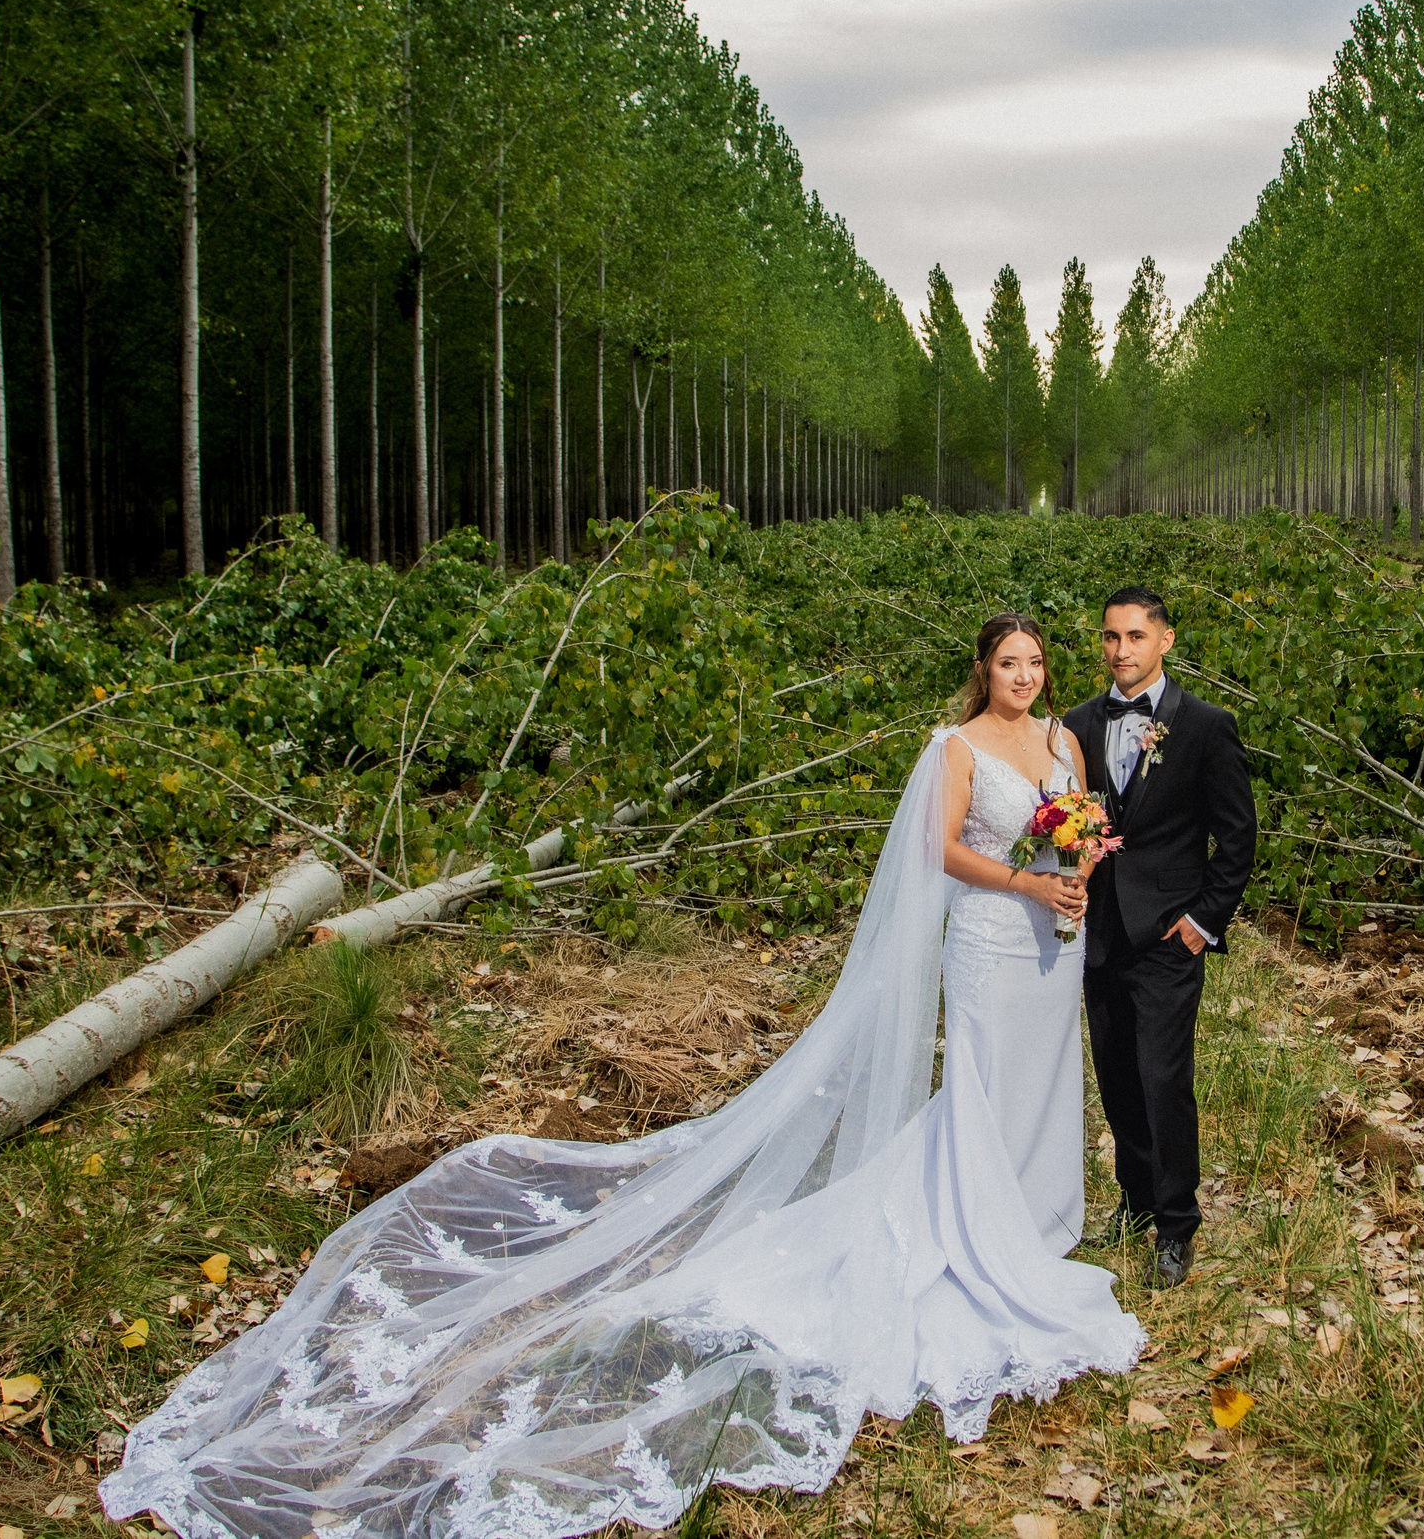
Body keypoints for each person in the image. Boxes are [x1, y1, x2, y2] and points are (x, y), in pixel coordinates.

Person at [100, 613, 1143, 1539]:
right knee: (983, 1083)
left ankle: (1040, 1216)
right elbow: (940, 852)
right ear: (981, 670)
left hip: (1055, 934)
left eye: (1037, 661)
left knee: (1050, 1078)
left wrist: (1079, 867)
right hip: (991, 935)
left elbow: (1083, 819)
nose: (1027, 675)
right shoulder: (955, 748)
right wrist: (1022, 878)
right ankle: (975, 1228)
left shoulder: (1059, 740)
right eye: (1011, 662)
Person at [1064, 587, 1258, 1290]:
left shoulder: (1205, 725)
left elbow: (1237, 839)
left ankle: (1177, 1223)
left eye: (1136, 637)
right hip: (1097, 933)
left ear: (1165, 640)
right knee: (1115, 1073)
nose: (1121, 651)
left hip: (1170, 937)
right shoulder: (1076, 724)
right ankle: (1137, 1200)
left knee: (1162, 1077)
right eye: (1111, 637)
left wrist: (1202, 924)